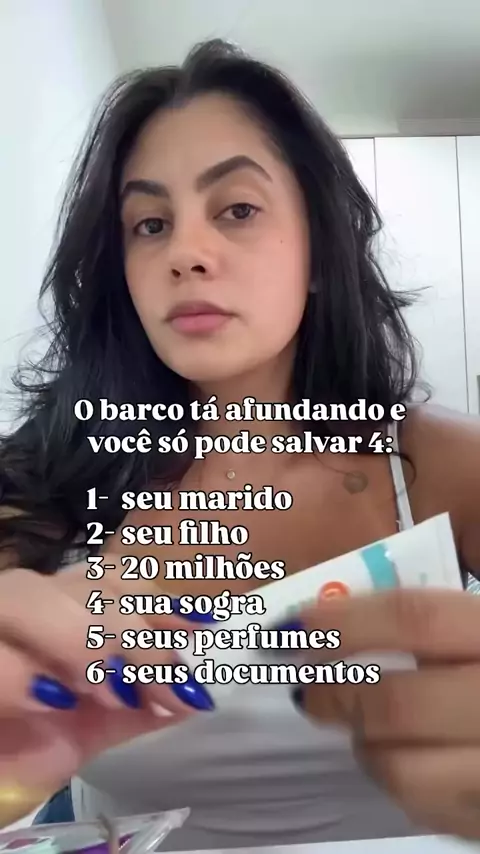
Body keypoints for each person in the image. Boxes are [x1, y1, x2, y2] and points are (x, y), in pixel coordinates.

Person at [0, 37, 480, 849]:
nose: (186, 254)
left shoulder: (439, 466)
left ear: (320, 250)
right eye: (150, 224)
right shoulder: (35, 487)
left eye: (238, 210)